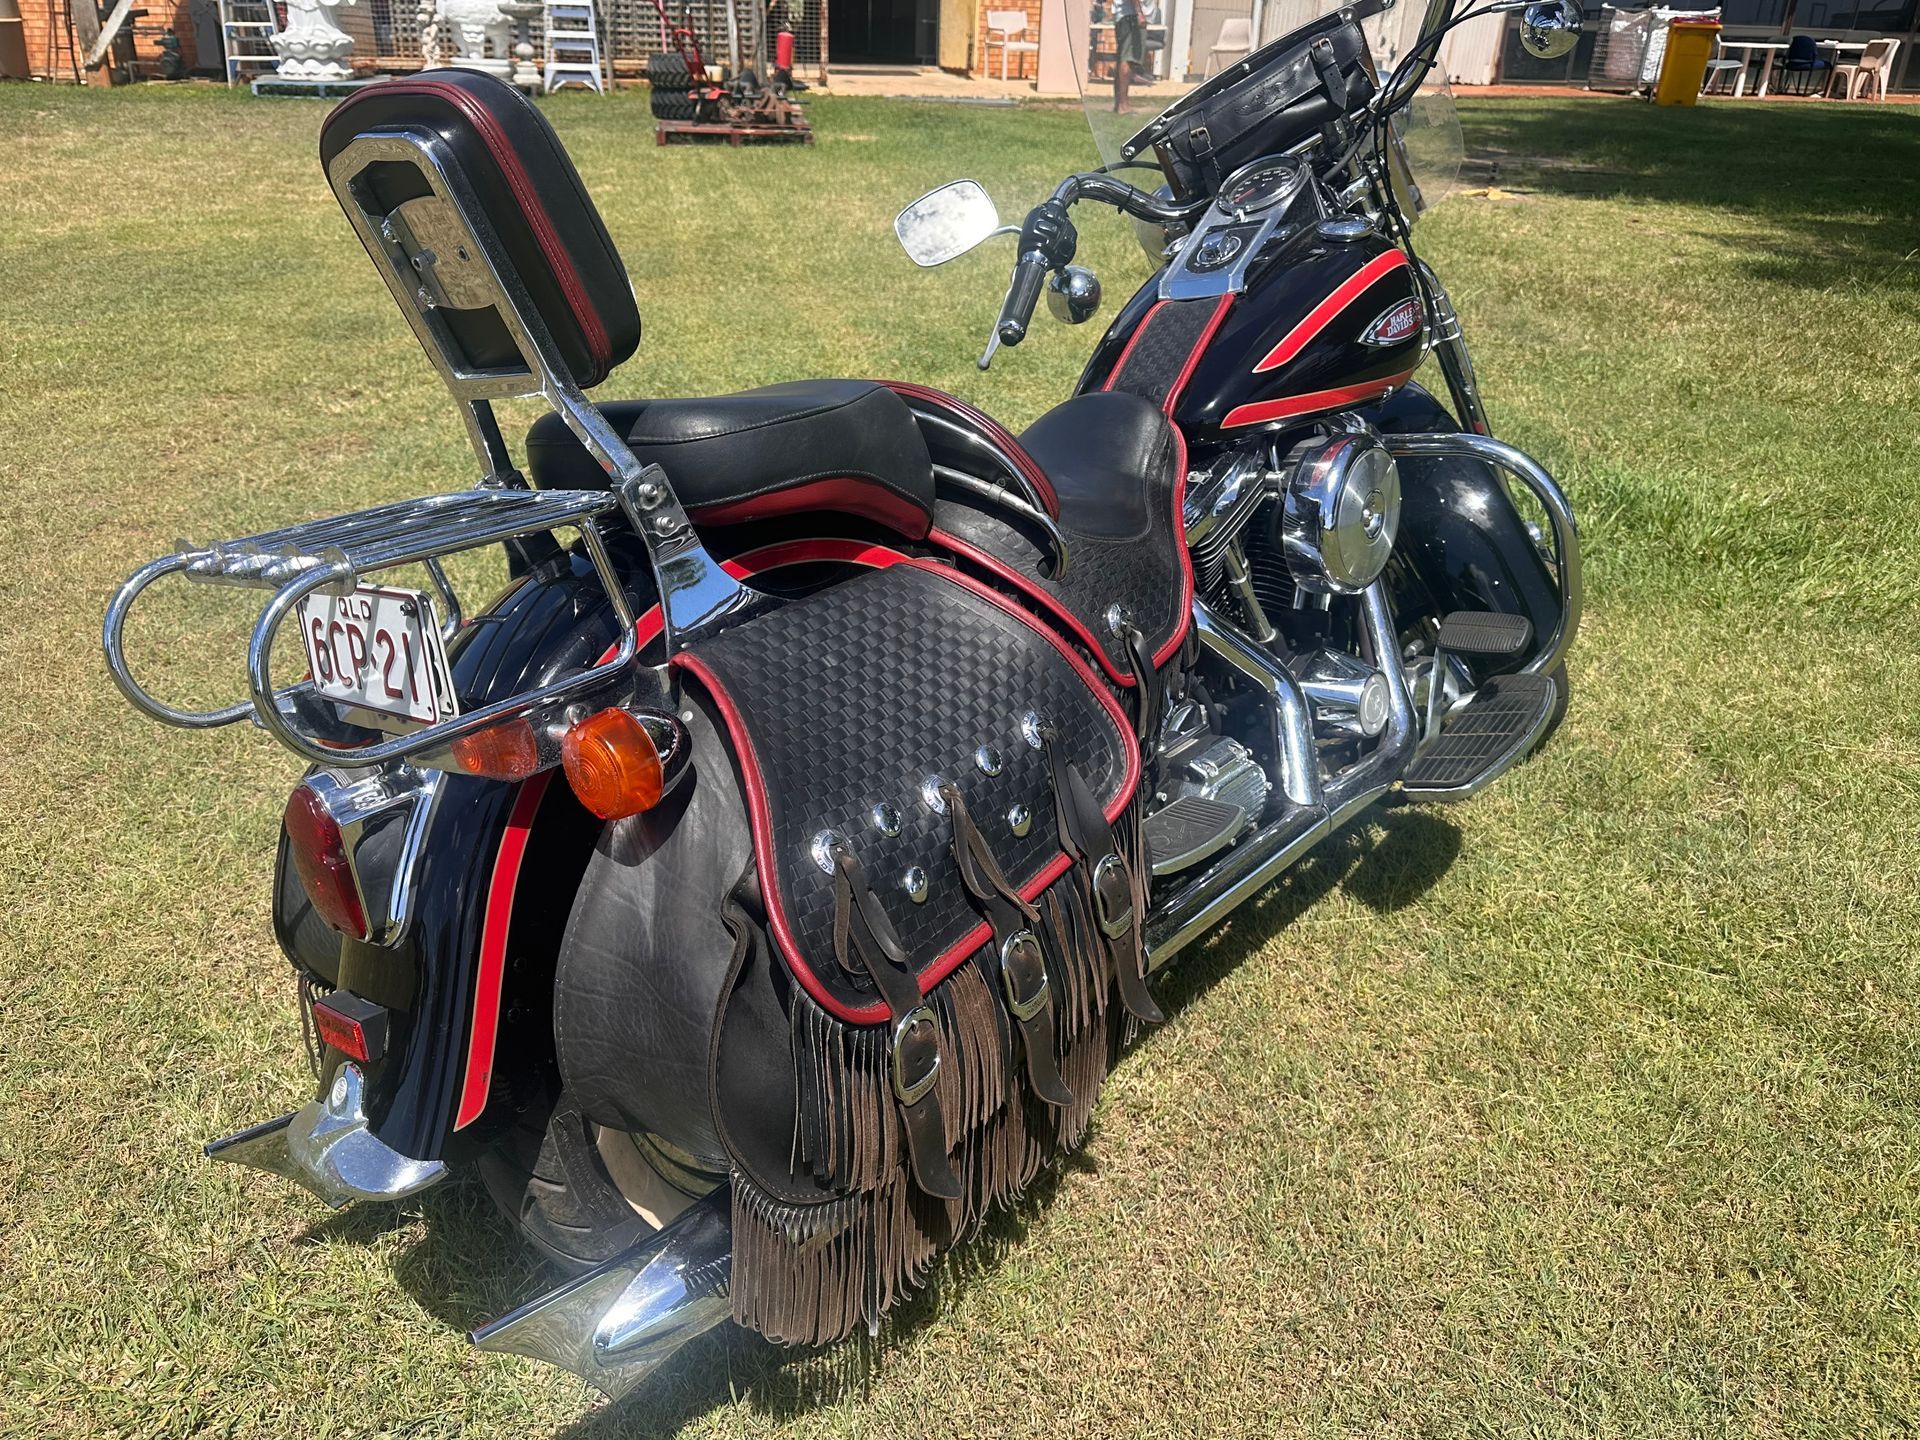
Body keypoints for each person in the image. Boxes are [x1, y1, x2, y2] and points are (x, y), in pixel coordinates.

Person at [1110, 0, 1155, 111]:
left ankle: (1120, 103)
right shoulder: (1134, 14)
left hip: (1128, 16)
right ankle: (1123, 105)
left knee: (1125, 59)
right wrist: (1139, 13)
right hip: (1131, 16)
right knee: (1127, 59)